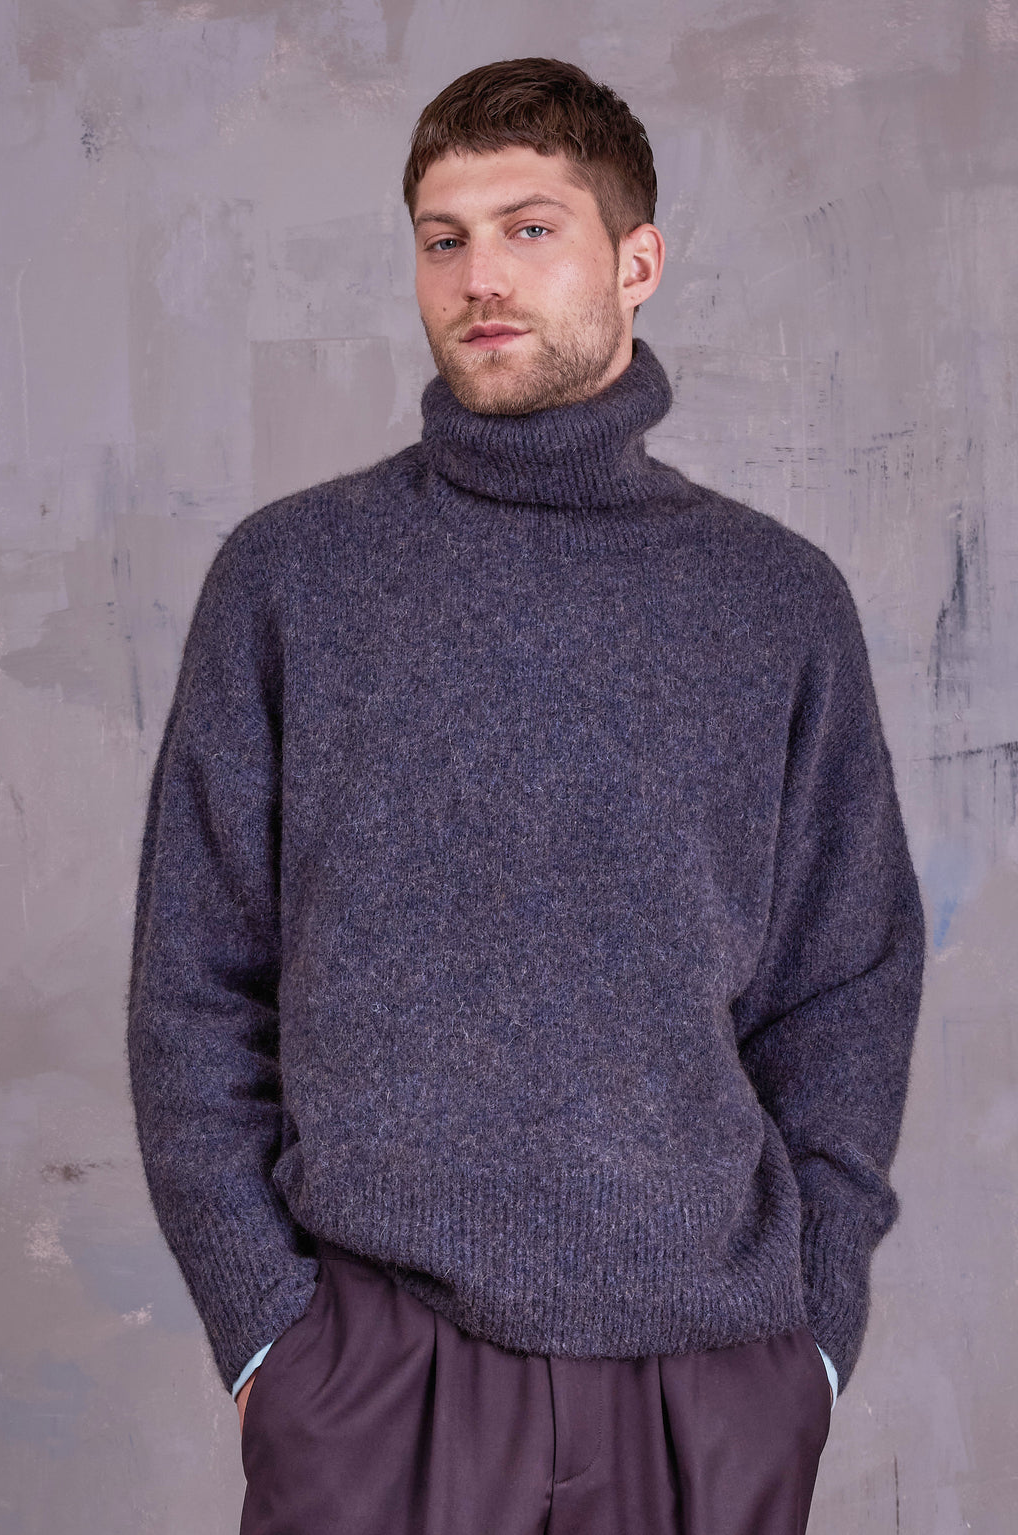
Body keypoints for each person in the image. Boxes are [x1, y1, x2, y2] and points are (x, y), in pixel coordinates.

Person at [127, 57, 926, 1535]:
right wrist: (266, 1339)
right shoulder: (294, 577)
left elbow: (847, 989)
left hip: (710, 1375)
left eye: (530, 228)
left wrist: (810, 1342)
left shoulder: (774, 601)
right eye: (444, 239)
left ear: (637, 262)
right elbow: (195, 981)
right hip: (374, 1374)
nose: (479, 276)